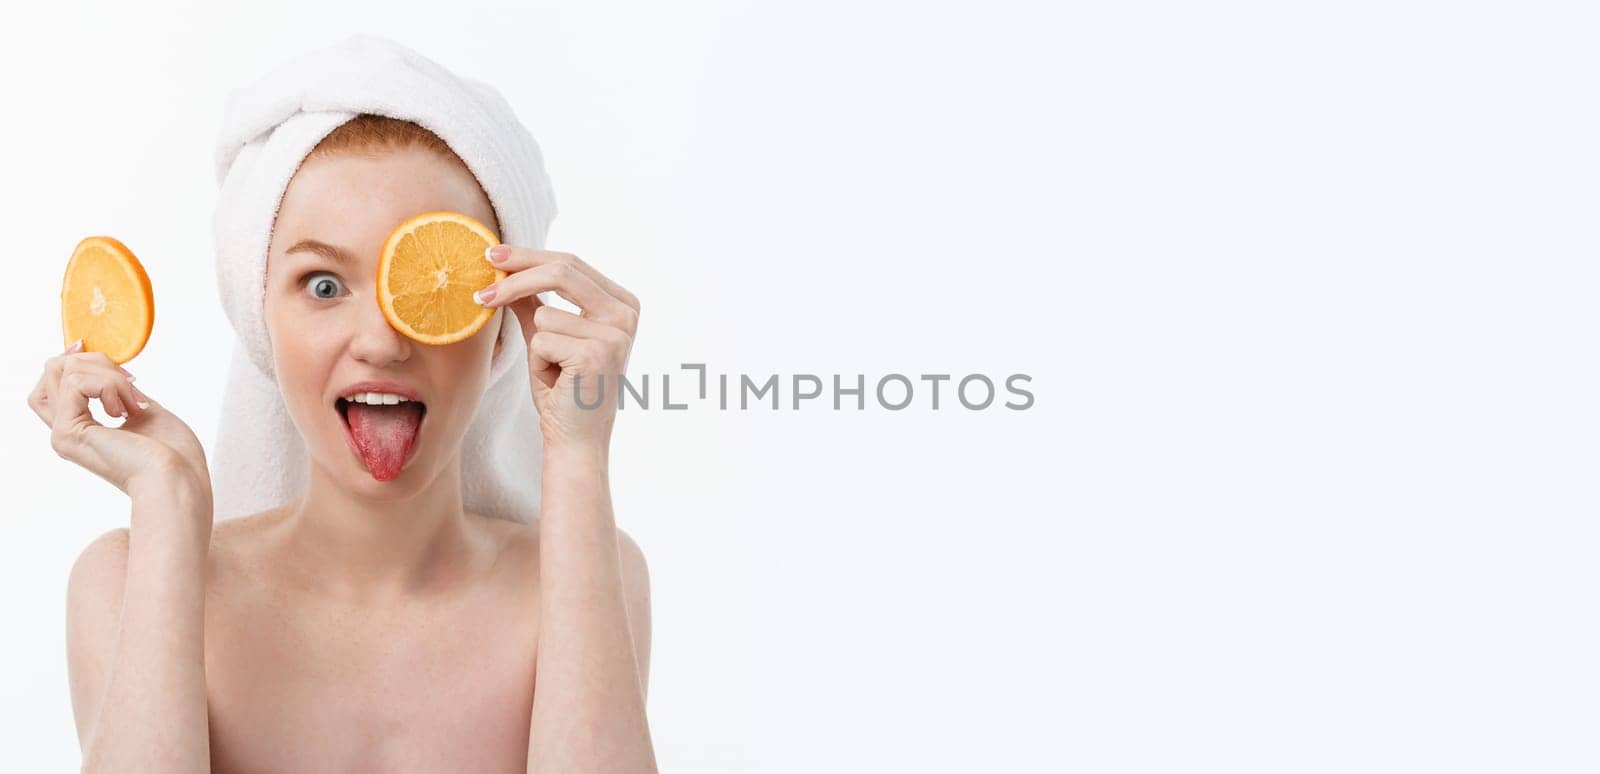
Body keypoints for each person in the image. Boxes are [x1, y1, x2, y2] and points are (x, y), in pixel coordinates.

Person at [27, 109, 655, 771]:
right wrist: (169, 504)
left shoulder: (586, 572)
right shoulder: (127, 578)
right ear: (260, 321)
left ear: (503, 333)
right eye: (324, 285)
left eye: (432, 284)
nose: (382, 344)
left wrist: (578, 452)